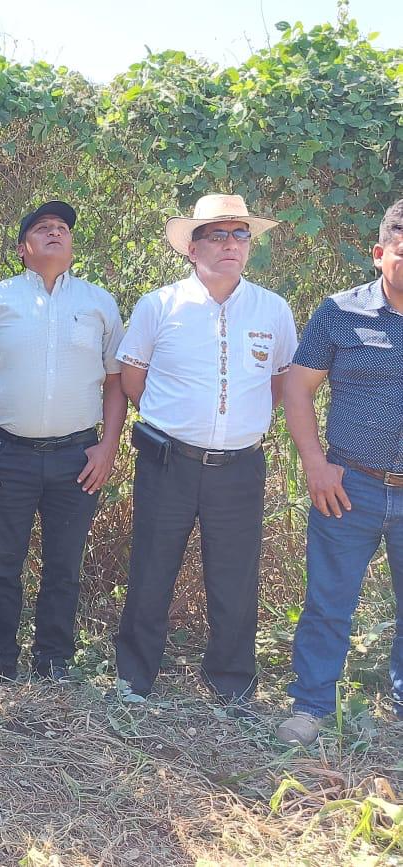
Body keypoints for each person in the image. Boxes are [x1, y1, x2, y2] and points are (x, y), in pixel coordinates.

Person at [114, 193, 297, 705]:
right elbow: (133, 380)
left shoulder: (273, 309)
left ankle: (231, 682)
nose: (230, 245)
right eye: (217, 235)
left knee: (236, 576)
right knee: (152, 567)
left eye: (240, 235)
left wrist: (236, 426)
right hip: (169, 460)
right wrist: (180, 422)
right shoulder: (160, 305)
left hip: (240, 466)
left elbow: (279, 383)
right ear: (191, 249)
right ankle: (134, 677)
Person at [0, 200, 127, 684]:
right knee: (3, 563)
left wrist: (108, 446)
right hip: (7, 456)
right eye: (43, 229)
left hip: (77, 457)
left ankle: (53, 660)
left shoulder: (98, 304)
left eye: (63, 229)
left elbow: (116, 383)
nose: (55, 234)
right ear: (22, 249)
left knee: (64, 565)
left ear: (71, 247)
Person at [276, 198, 403, 746]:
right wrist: (315, 465)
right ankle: (310, 706)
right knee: (329, 602)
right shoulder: (339, 311)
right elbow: (298, 389)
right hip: (349, 485)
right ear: (380, 254)